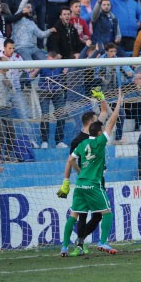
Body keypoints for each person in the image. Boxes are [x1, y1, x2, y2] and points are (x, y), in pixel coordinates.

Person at [60, 90, 123, 257]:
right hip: (92, 181)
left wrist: (101, 97)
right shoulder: (82, 140)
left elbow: (104, 112)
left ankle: (66, 245)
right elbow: (111, 120)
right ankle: (86, 244)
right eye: (98, 122)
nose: (100, 121)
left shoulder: (84, 142)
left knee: (92, 216)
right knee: (94, 214)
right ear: (92, 125)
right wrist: (66, 180)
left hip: (84, 181)